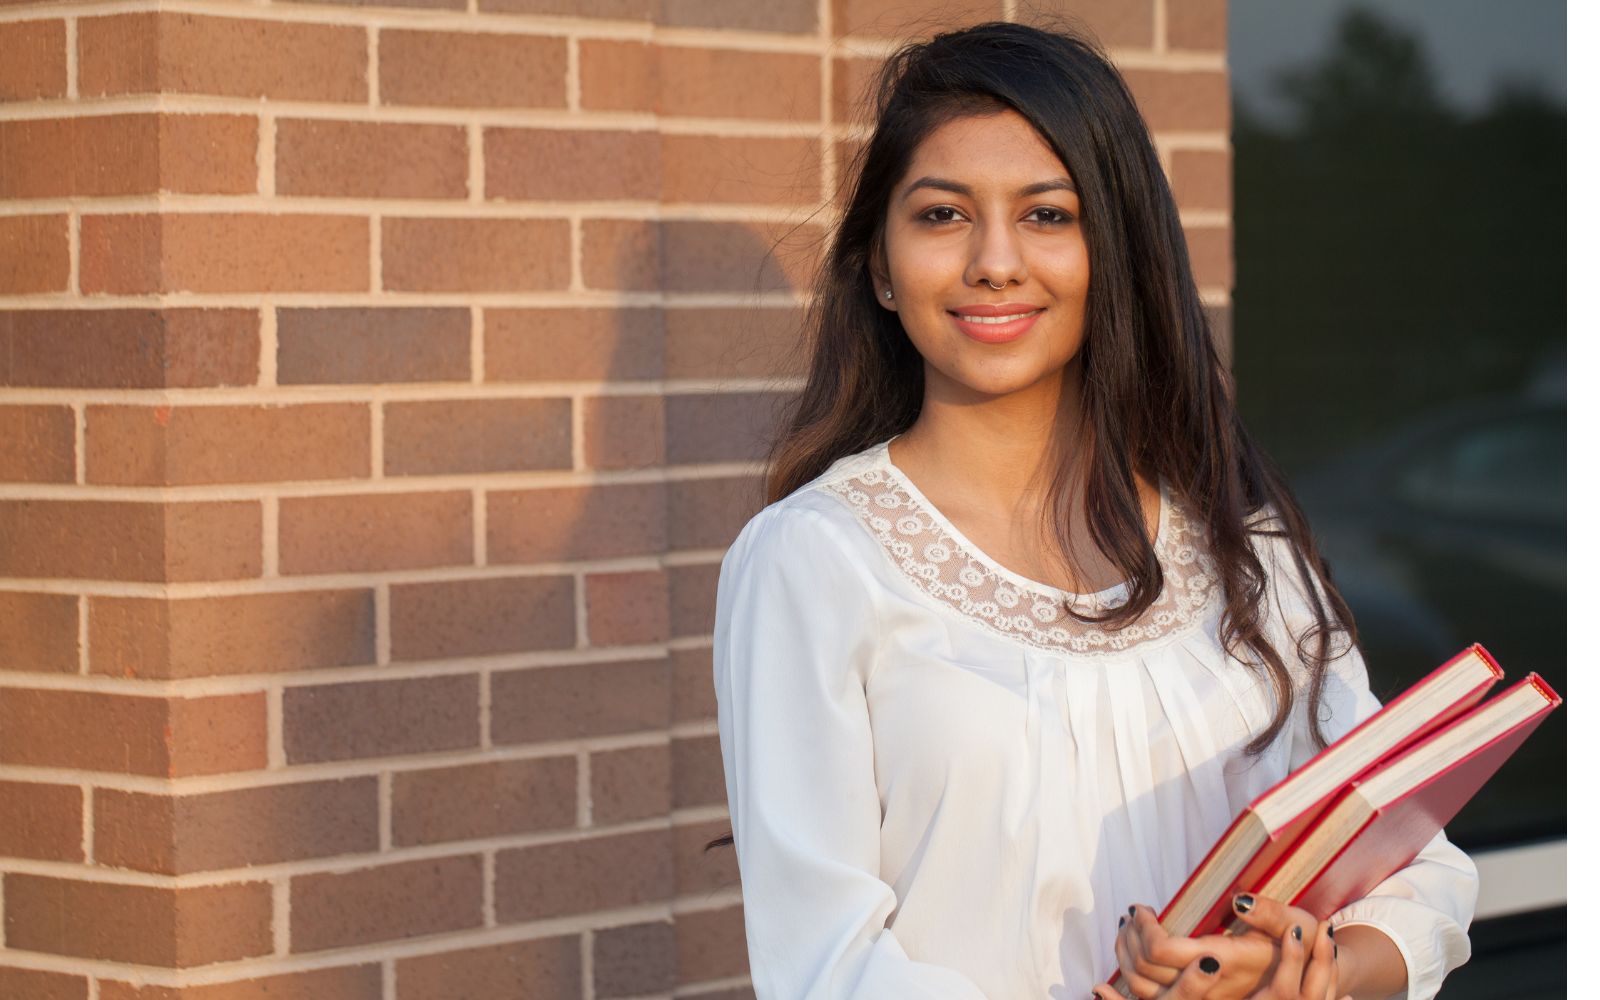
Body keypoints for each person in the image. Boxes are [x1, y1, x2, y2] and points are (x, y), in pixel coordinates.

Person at [704, 18, 1477, 1000]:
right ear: (879, 268)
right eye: (941, 215)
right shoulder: (811, 562)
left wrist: (1308, 974)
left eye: (1048, 214)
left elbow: (1417, 866)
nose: (993, 260)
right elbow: (824, 963)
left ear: (1115, 251)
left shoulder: (1243, 546)